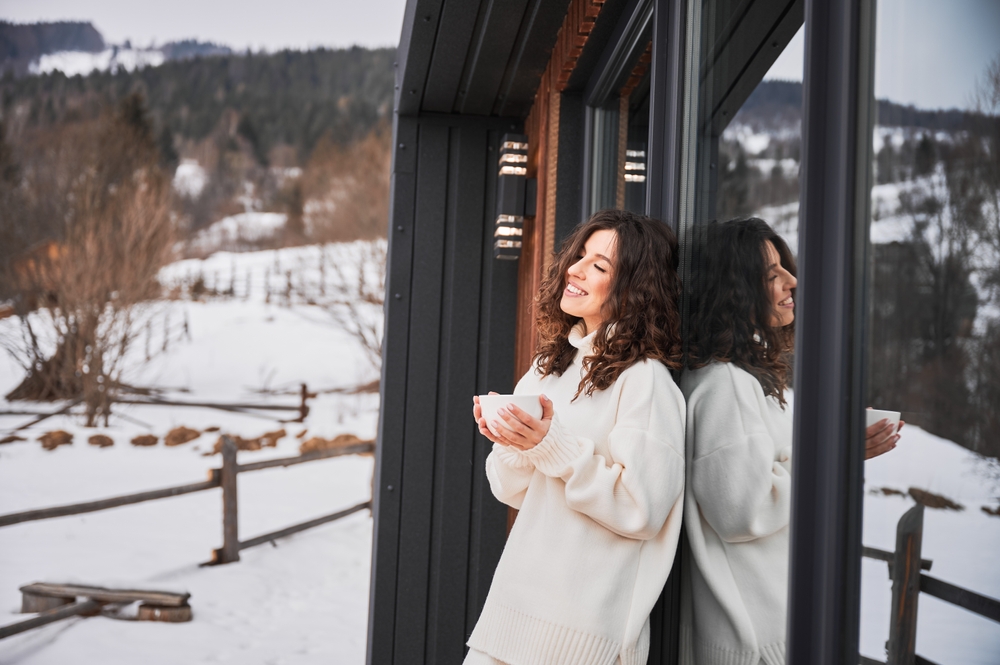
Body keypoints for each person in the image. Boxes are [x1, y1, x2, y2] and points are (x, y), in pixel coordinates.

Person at [465, 209, 687, 665]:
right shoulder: (550, 368)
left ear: (633, 288)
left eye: (599, 266)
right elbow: (509, 490)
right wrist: (511, 441)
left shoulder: (645, 381)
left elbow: (642, 509)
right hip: (511, 614)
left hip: (582, 638)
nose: (575, 269)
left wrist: (550, 446)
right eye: (580, 256)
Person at [680, 218, 901, 665]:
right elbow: (744, 511)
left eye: (784, 268)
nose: (792, 281)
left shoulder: (748, 378)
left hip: (770, 627)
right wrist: (834, 456)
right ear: (733, 289)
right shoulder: (727, 384)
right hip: (754, 641)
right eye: (770, 274)